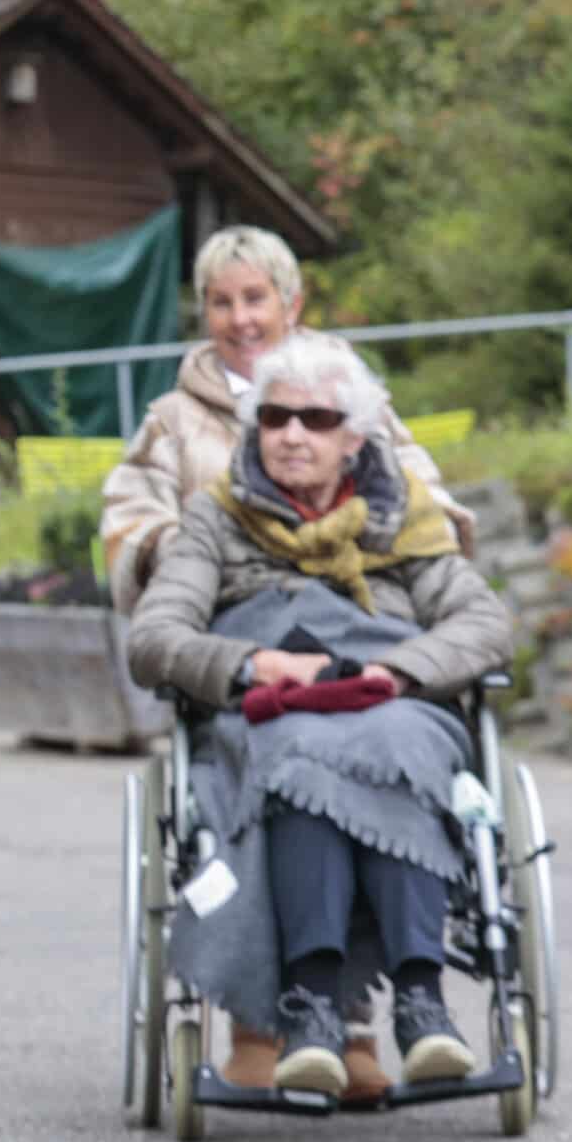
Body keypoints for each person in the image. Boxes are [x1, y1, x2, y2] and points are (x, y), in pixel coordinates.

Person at [100, 223, 472, 1096]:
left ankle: (360, 1024)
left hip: (358, 630)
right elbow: (130, 526)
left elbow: (418, 495)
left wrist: (416, 550)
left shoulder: (352, 403)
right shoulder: (174, 417)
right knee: (280, 766)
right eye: (222, 302)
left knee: (380, 749)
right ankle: (267, 1021)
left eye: (254, 298)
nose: (239, 317)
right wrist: (206, 546)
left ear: (290, 303)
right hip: (237, 623)